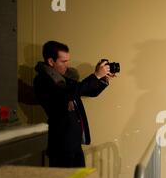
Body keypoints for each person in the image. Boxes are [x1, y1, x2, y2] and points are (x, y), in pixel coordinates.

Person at [34, 40, 114, 168]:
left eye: (68, 60)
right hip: (61, 144)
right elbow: (69, 94)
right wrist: (96, 75)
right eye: (63, 61)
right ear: (51, 61)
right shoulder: (43, 80)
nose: (67, 65)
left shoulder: (65, 80)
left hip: (73, 142)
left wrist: (103, 80)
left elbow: (88, 91)